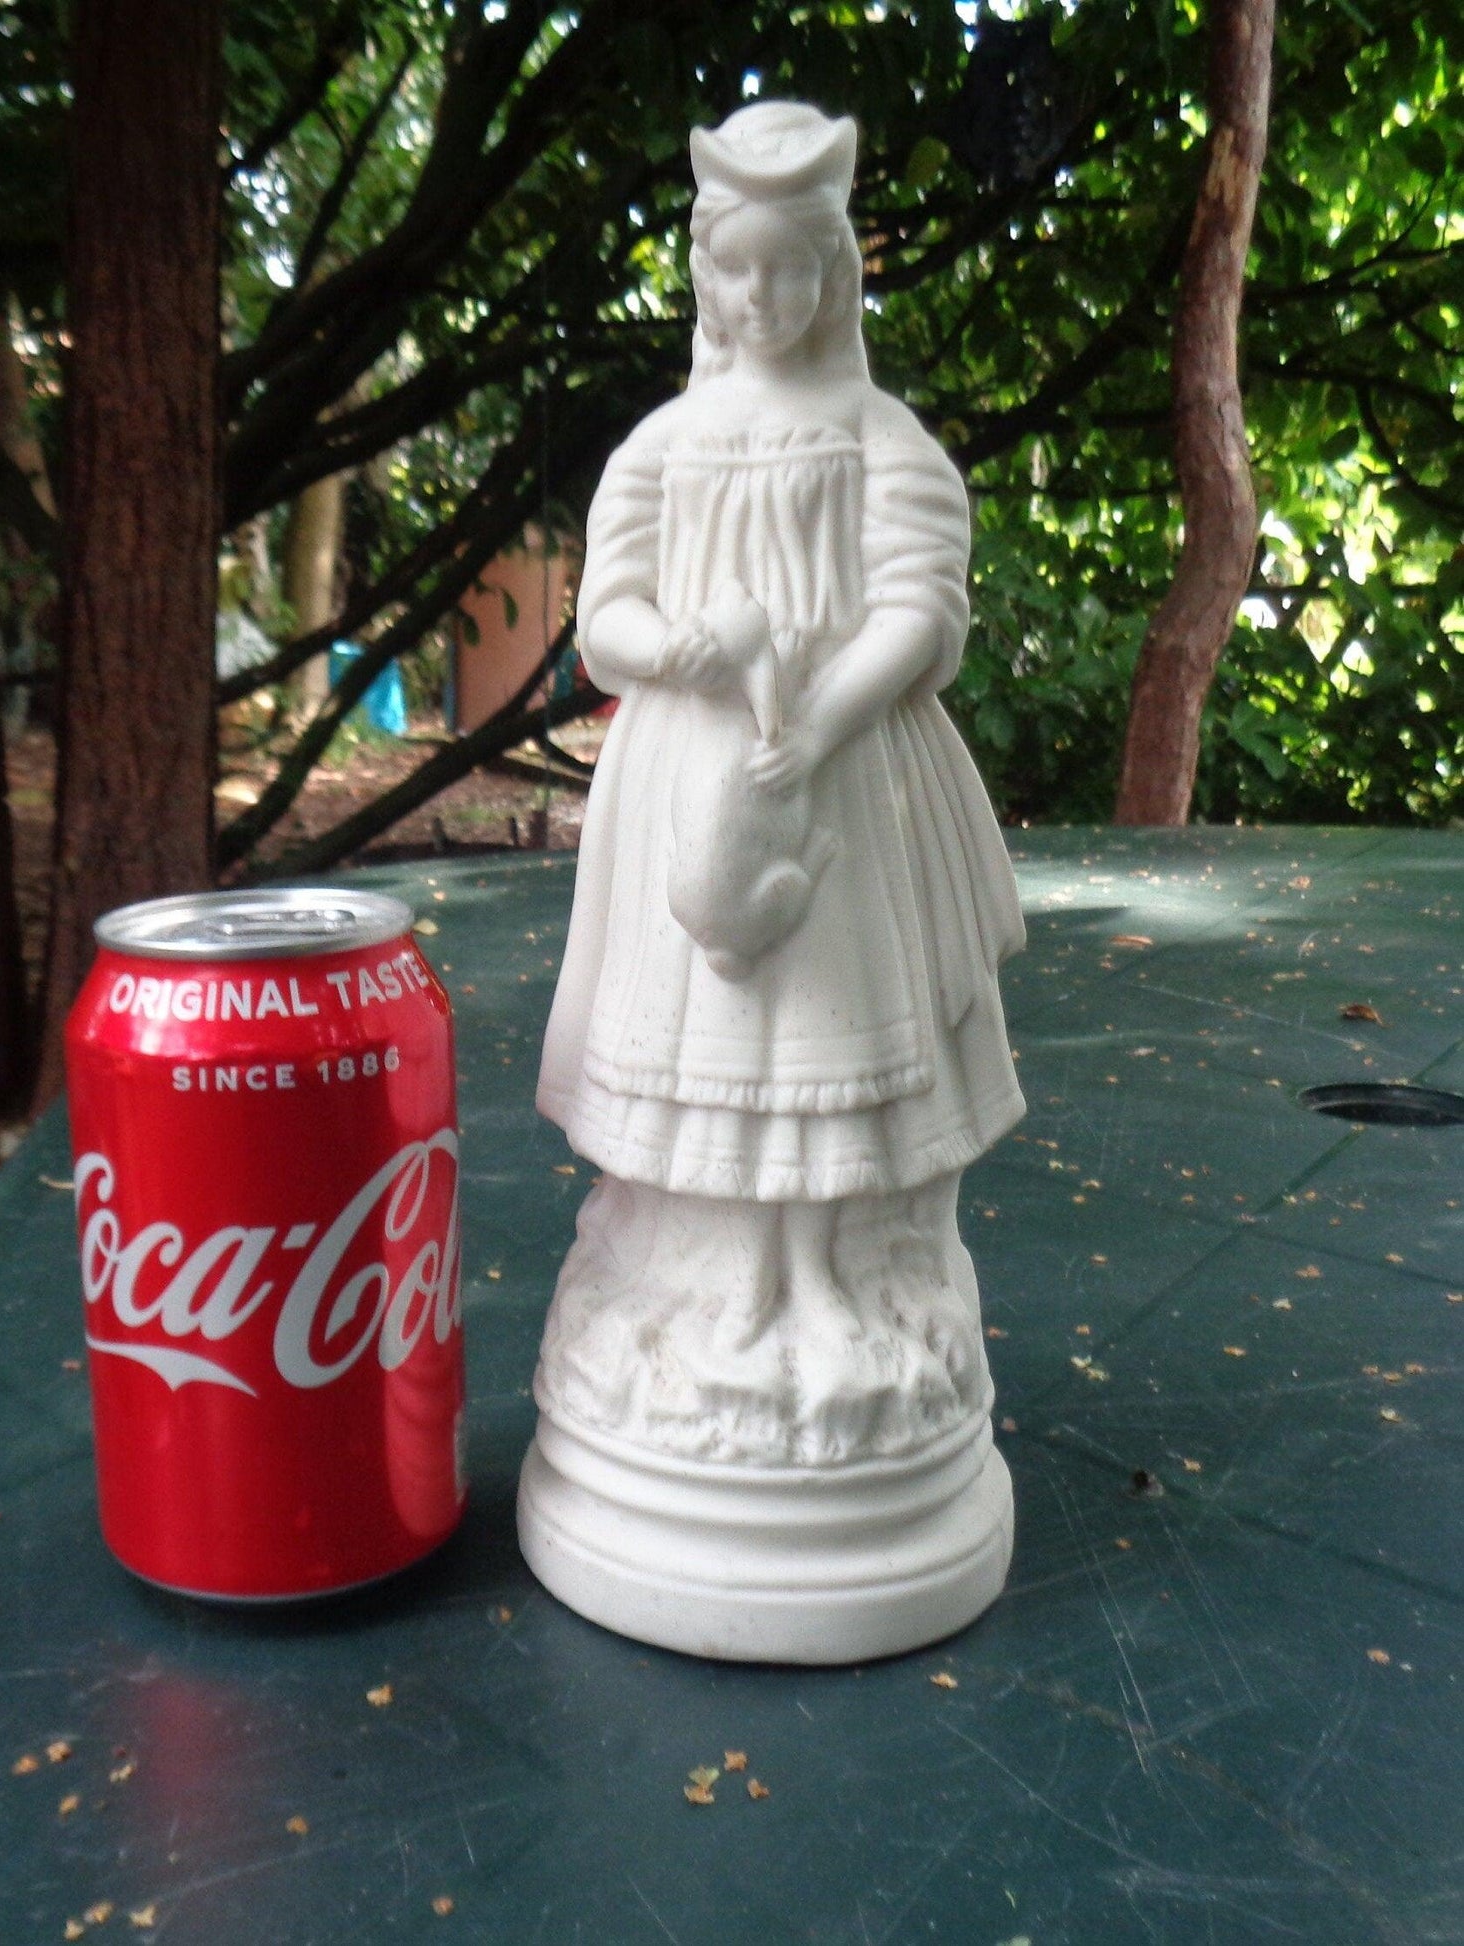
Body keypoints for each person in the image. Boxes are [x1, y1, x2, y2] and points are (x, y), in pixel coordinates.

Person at [533, 100, 1025, 1464]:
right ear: (703, 273)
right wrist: (694, 650)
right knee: (707, 1046)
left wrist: (812, 724)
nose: (758, 294)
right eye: (733, 266)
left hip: (849, 777)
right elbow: (604, 619)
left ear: (833, 272)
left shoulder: (881, 438)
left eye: (785, 264)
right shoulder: (661, 447)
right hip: (687, 775)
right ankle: (709, 1276)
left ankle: (829, 1276)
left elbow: (920, 614)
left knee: (827, 1041)